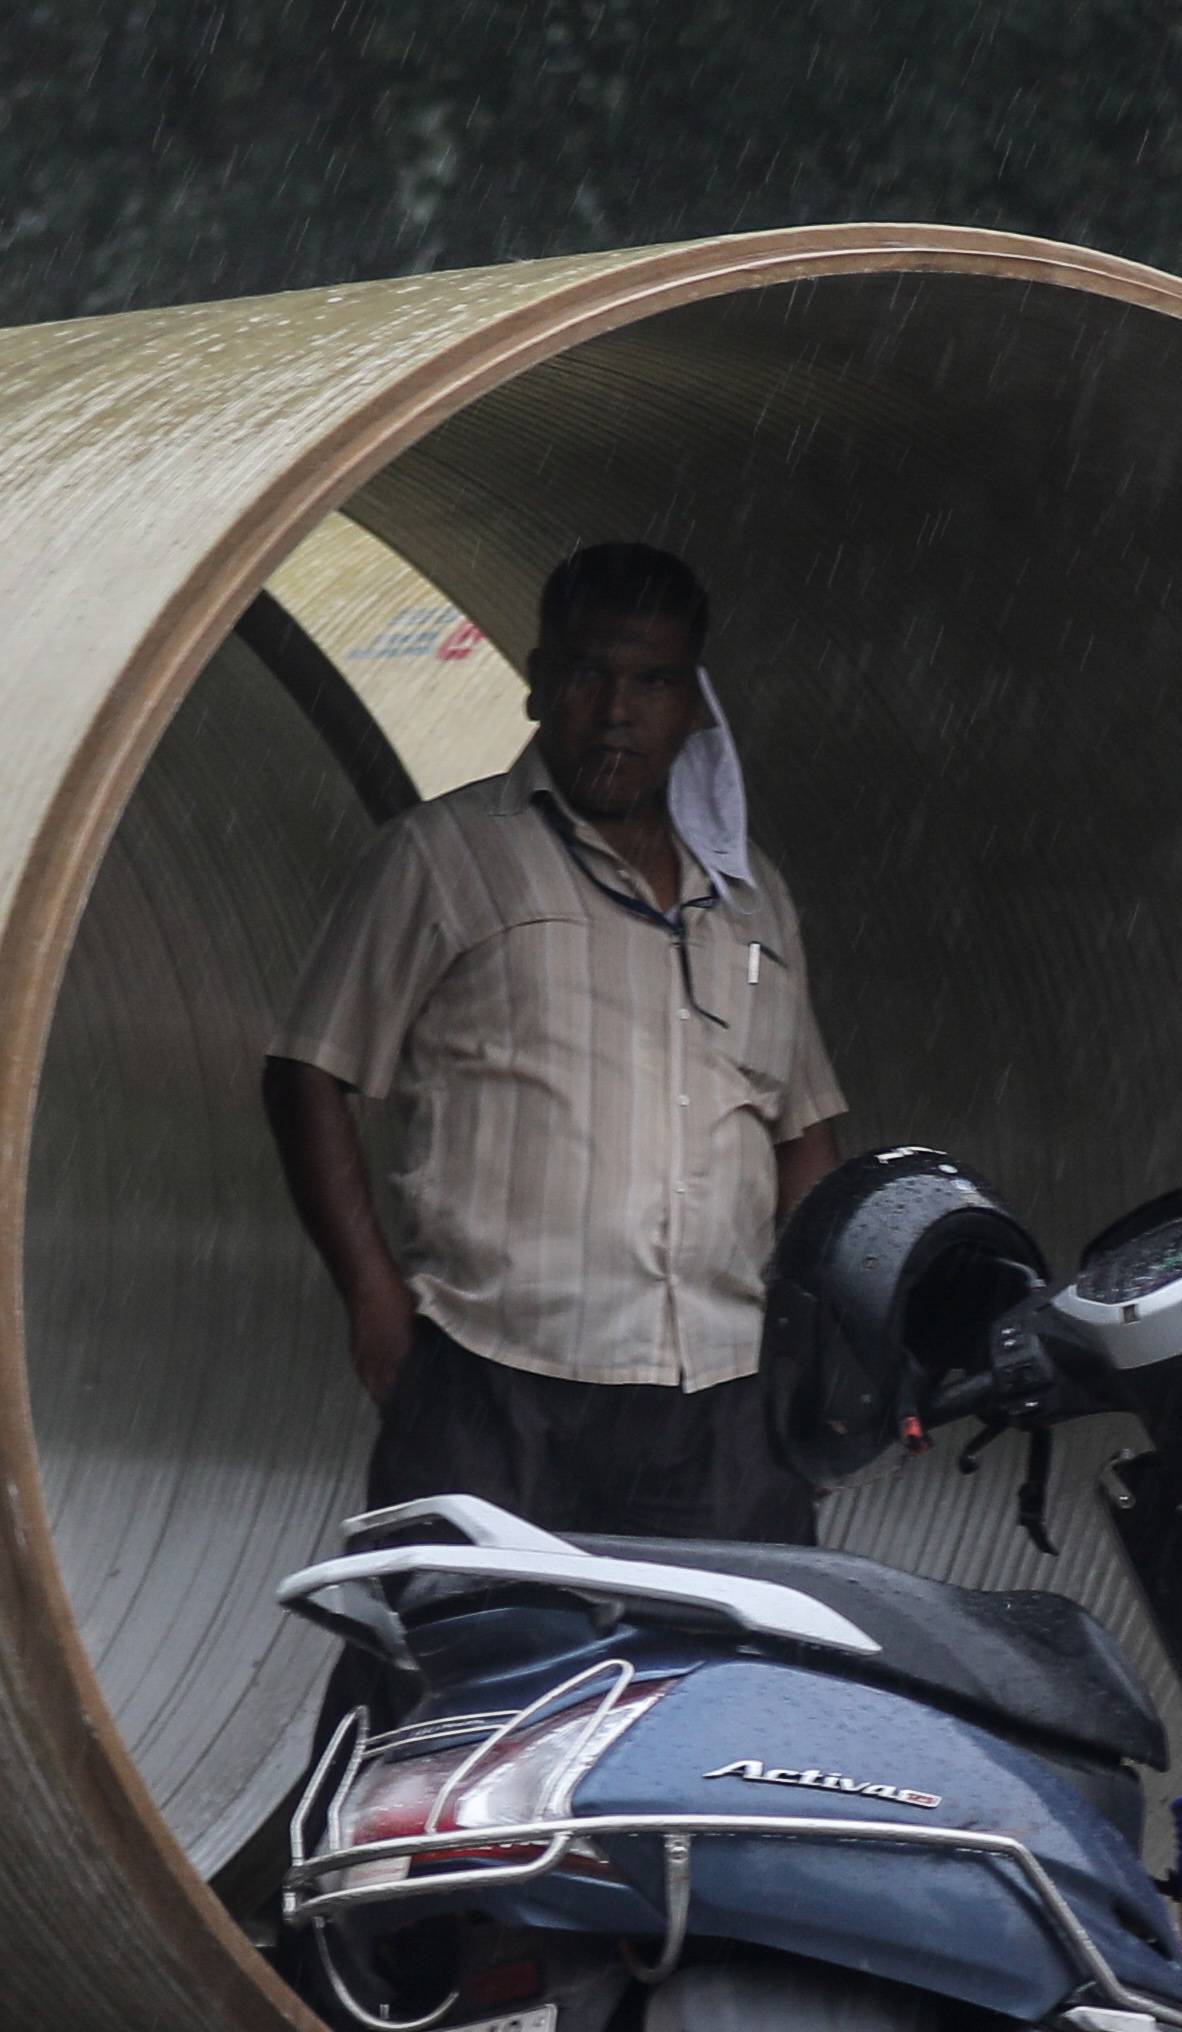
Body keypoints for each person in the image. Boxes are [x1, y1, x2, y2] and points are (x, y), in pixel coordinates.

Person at [263, 542, 846, 1543]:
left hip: (720, 1394)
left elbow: (804, 1134)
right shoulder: (444, 859)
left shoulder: (750, 894)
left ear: (692, 706)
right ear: (538, 687)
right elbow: (307, 1071)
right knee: (452, 1673)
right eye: (590, 676)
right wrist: (373, 1299)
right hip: (496, 1381)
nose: (617, 711)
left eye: (653, 682)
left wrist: (819, 1347)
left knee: (734, 1681)